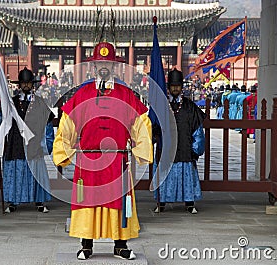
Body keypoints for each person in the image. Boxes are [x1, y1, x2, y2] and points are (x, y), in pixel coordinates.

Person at [53, 42, 153, 260]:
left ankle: (120, 244)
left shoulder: (126, 95)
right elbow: (67, 122)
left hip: (117, 160)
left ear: (114, 66)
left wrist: (140, 148)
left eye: (108, 63)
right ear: (94, 66)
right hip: (88, 159)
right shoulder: (83, 93)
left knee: (119, 201)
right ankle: (86, 244)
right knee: (87, 200)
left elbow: (141, 122)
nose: (104, 67)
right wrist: (65, 150)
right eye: (100, 63)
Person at [154, 69, 206, 214]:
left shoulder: (190, 107)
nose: (175, 88)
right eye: (173, 85)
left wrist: (196, 150)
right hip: (166, 149)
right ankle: (161, 203)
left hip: (184, 148)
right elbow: (154, 128)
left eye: (178, 85)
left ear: (182, 86)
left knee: (186, 176)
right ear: (168, 87)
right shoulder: (162, 106)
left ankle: (189, 203)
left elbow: (198, 131)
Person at [2, 67, 53, 213]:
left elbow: (48, 122)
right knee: (15, 170)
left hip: (34, 141)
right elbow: (4, 120)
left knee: (36, 171)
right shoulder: (12, 102)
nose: (26, 85)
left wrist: (47, 144)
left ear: (33, 84)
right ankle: (12, 202)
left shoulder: (39, 102)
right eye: (23, 83)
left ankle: (39, 201)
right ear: (19, 85)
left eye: (28, 83)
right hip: (16, 141)